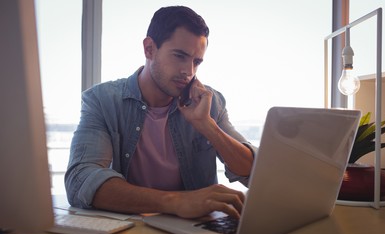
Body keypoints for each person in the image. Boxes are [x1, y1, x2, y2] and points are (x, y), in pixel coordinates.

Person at [65, 6, 256, 219]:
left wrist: (207, 125)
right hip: (134, 231)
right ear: (149, 49)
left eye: (196, 62)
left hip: (197, 231)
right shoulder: (101, 101)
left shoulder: (209, 103)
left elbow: (254, 173)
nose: (189, 71)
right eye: (179, 56)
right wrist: (174, 201)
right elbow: (80, 180)